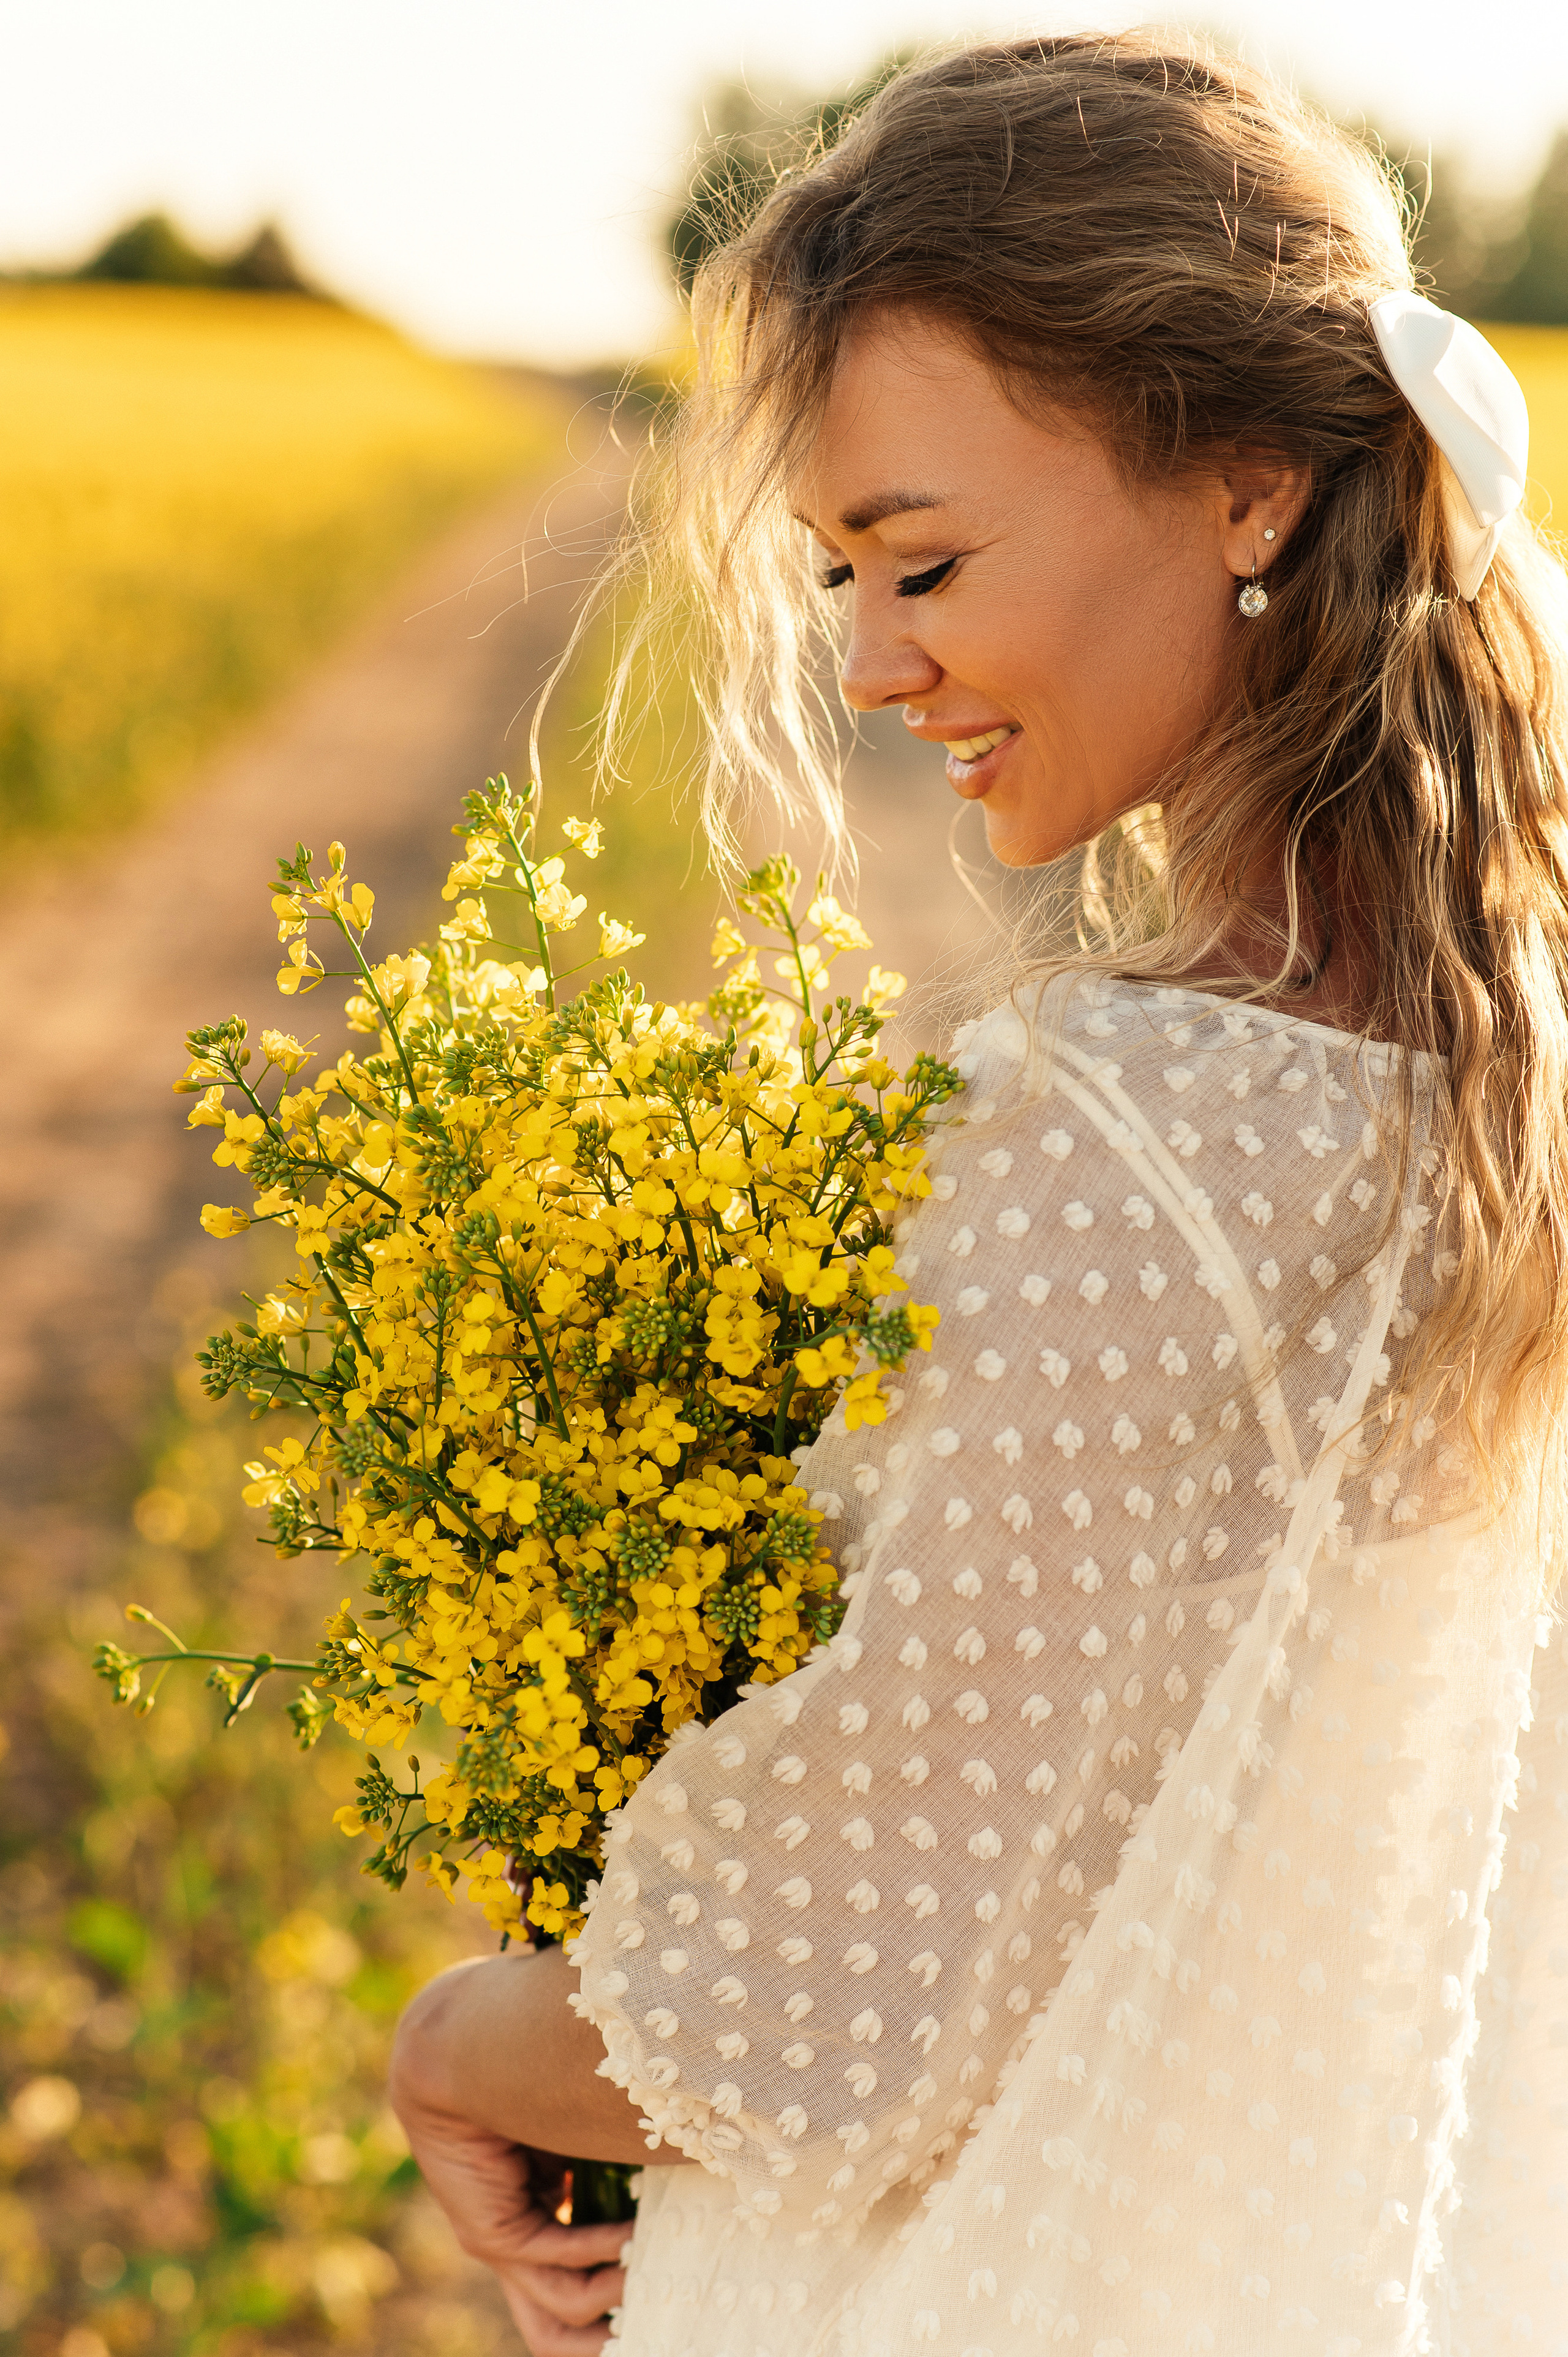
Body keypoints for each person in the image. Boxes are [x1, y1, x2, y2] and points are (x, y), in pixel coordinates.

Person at [390, 34, 1567, 2355]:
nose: (868, 661)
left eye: (922, 561)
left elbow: (832, 1990)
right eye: (839, 575)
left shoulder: (1133, 1141)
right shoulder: (1507, 1085)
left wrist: (461, 2044)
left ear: (1249, 485)